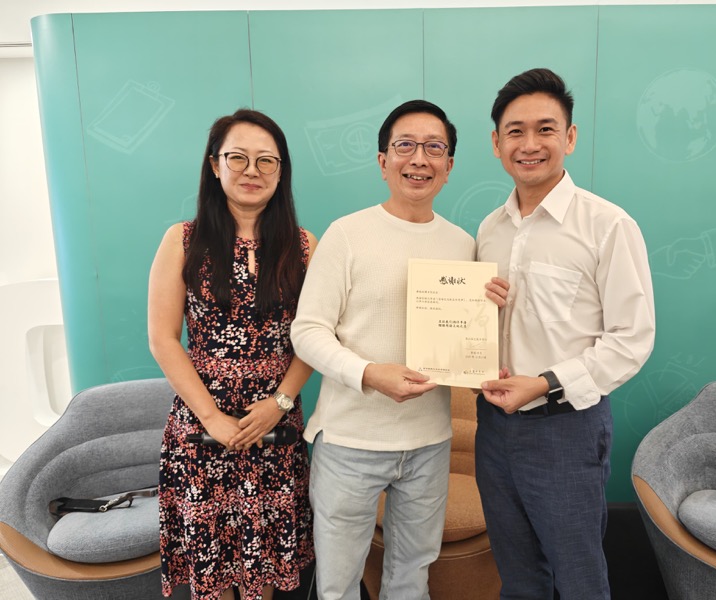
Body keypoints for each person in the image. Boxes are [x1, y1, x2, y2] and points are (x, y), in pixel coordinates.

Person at [291, 100, 504, 600]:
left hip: (429, 441)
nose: (419, 159)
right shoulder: (347, 234)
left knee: (411, 578)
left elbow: (464, 338)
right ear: (383, 160)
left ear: (449, 166)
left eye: (434, 148)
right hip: (350, 442)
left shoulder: (464, 245)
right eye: (405, 145)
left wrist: (489, 320)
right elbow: (308, 332)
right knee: (337, 585)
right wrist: (369, 373)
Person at [475, 68, 656, 600]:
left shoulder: (608, 225)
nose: (529, 144)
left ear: (570, 138)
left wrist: (546, 383)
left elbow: (631, 338)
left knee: (579, 579)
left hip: (566, 428)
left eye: (545, 129)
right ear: (496, 143)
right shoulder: (489, 229)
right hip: (494, 429)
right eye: (515, 131)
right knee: (518, 577)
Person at [148, 109, 317, 600]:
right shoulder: (183, 240)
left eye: (267, 160)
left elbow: (315, 336)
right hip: (202, 428)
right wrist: (212, 419)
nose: (252, 170)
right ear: (214, 164)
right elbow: (163, 338)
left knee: (263, 572)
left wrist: (278, 404)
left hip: (274, 425)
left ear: (281, 171)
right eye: (238, 157)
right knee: (214, 574)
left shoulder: (305, 246)